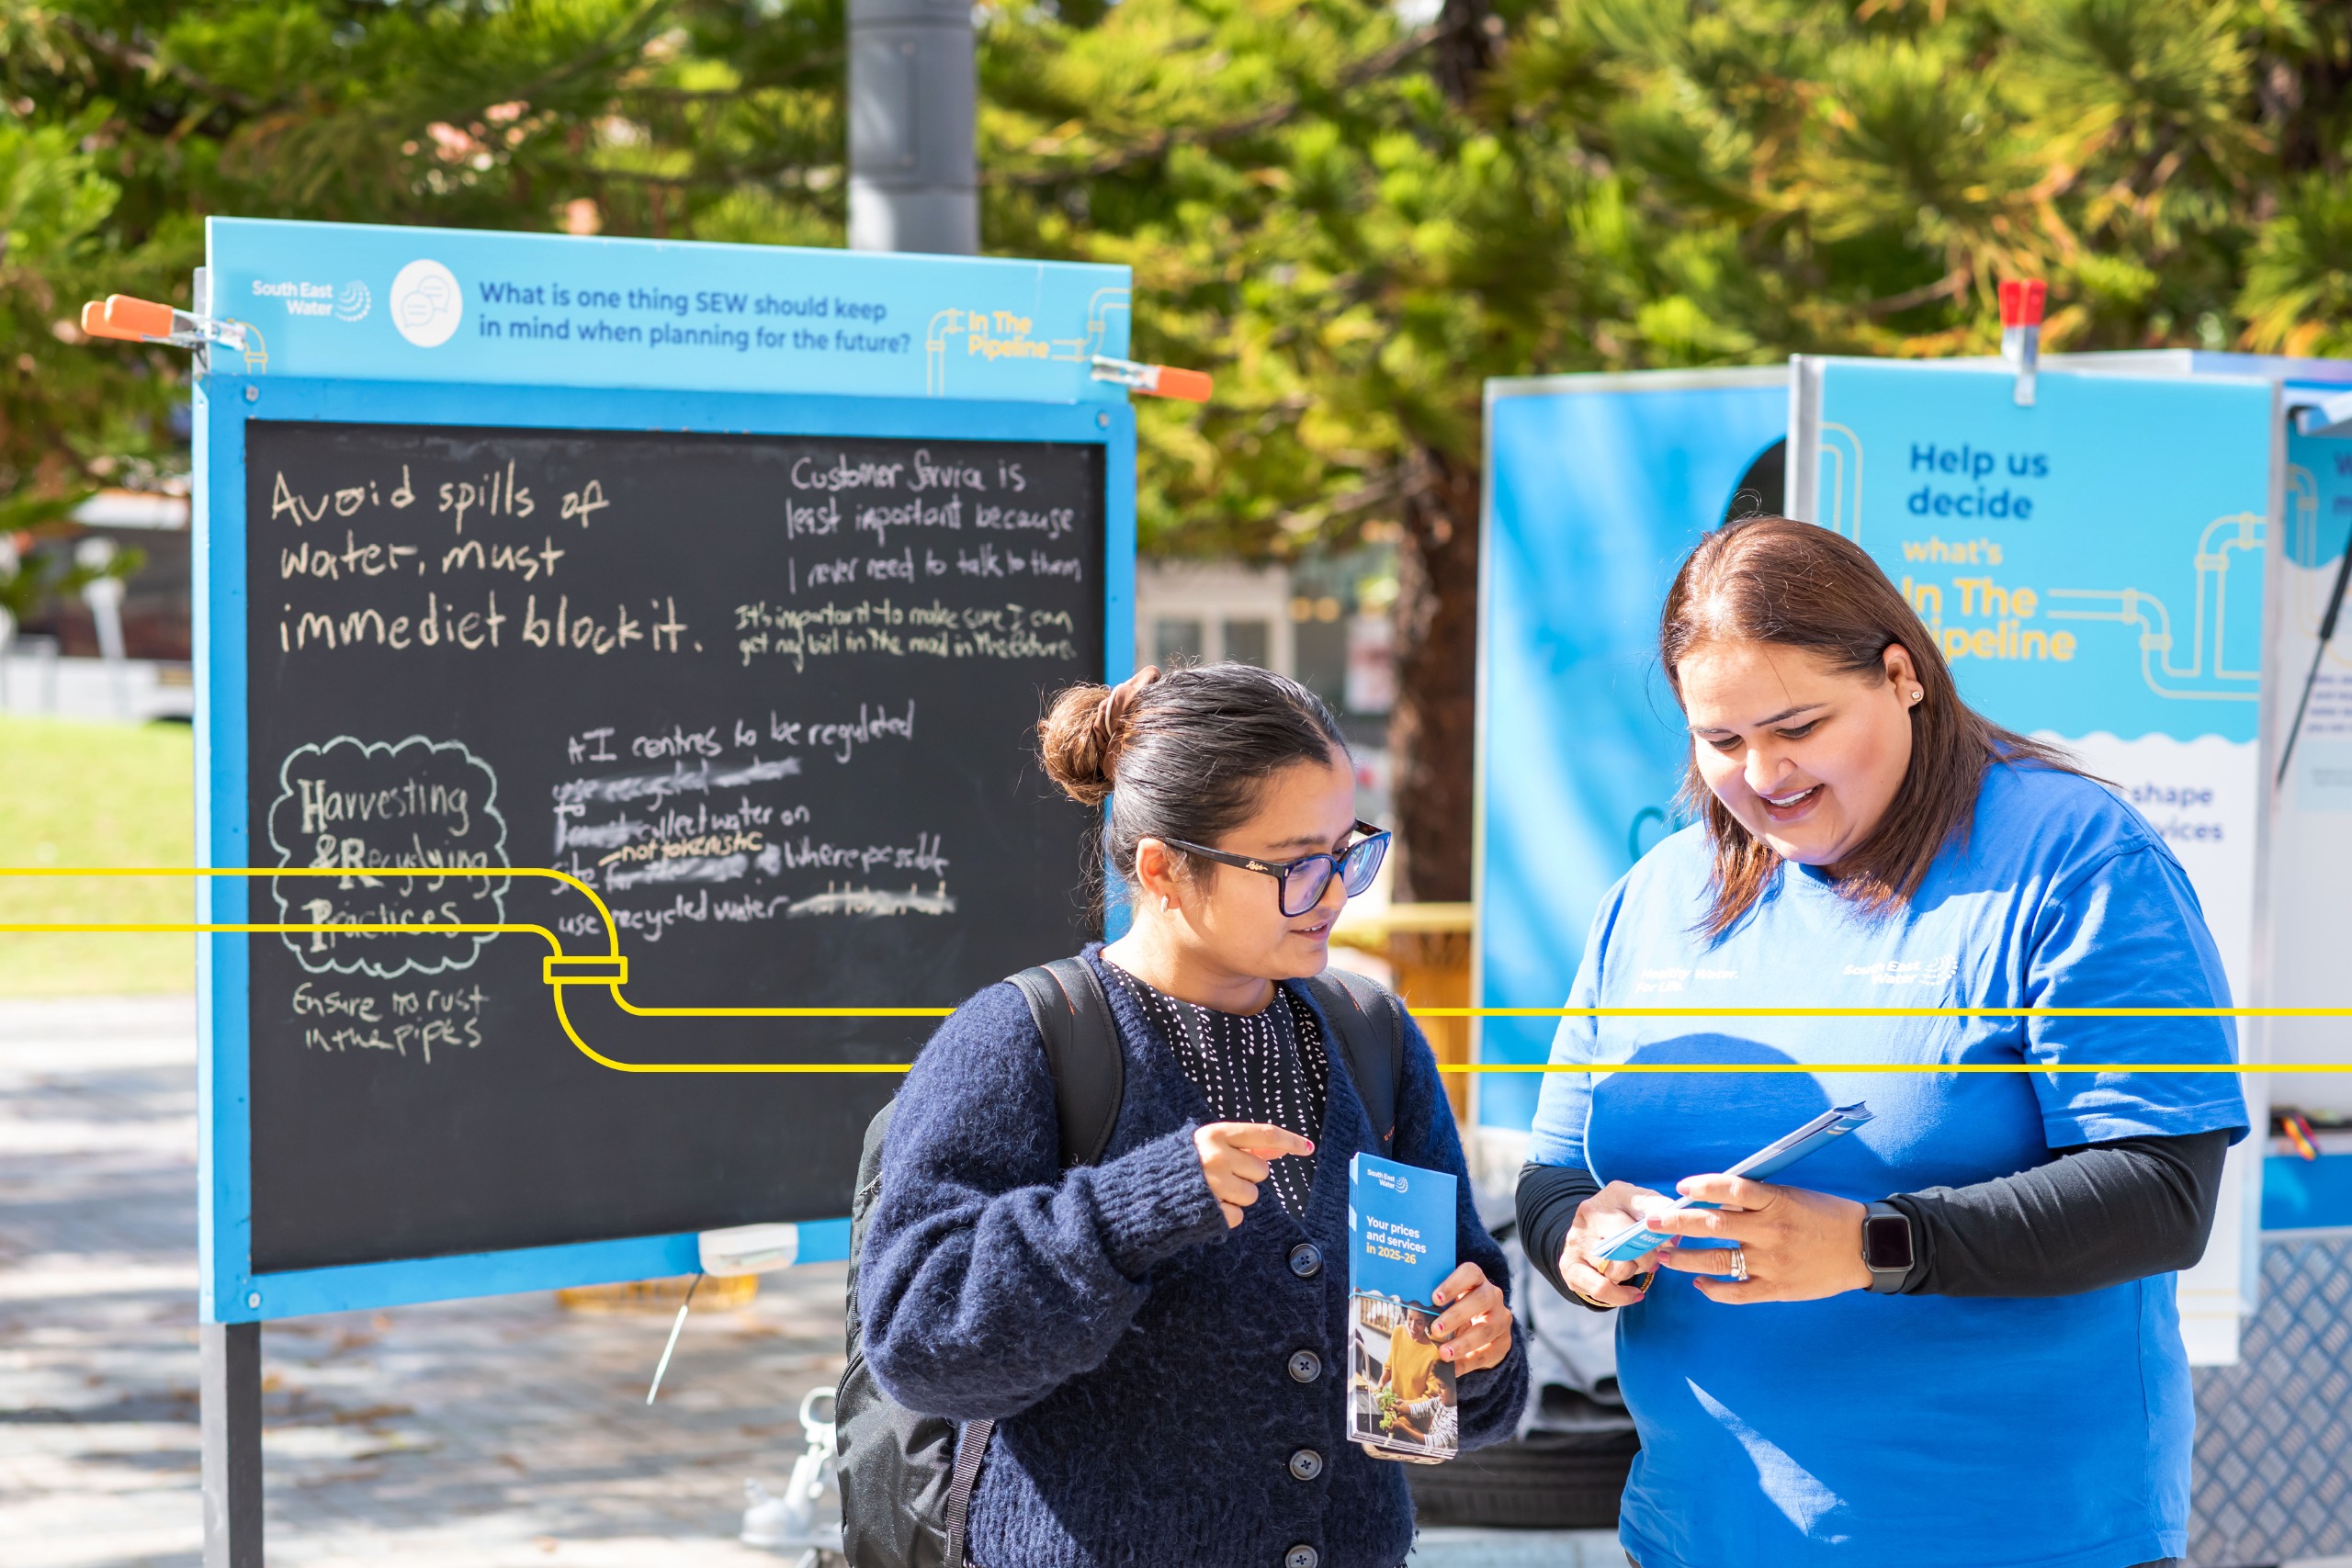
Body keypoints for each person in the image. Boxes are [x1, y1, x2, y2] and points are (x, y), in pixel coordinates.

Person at [1515, 517, 2245, 1568]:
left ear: (1899, 674)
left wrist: (1868, 1246)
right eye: (1719, 741)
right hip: (1695, 1533)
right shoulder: (1655, 894)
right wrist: (1580, 1241)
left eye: (1797, 726)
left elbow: (2161, 1195)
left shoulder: (2074, 859)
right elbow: (1552, 1174)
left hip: (2014, 1535)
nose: (1762, 774)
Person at [859, 662, 1526, 1568]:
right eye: (1294, 865)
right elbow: (918, 1342)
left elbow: (1432, 1403)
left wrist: (1476, 1355)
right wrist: (1132, 1208)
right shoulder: (1023, 1039)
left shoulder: (1376, 1037)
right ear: (1163, 869)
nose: (1332, 892)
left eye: (1345, 850)